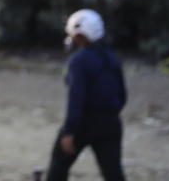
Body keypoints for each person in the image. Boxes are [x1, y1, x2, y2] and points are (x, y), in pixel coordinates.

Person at [46, 9, 127, 181]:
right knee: (113, 173)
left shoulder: (79, 61)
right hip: (111, 123)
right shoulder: (112, 58)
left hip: (85, 122)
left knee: (58, 166)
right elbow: (122, 95)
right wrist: (109, 114)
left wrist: (69, 131)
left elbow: (76, 98)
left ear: (80, 35)